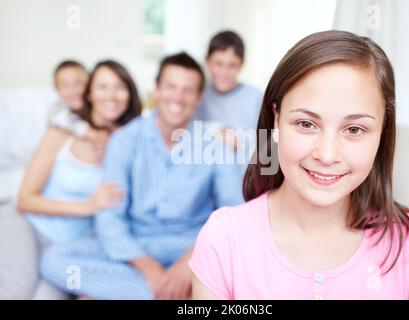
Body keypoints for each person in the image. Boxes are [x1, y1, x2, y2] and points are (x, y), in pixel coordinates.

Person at [189, 30, 409, 300]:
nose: (327, 155)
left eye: (354, 129)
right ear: (276, 119)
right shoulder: (223, 241)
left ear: (382, 131)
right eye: (306, 124)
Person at [40, 52, 244, 300]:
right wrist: (150, 269)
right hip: (136, 242)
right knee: (54, 260)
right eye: (171, 87)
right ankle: (177, 295)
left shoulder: (215, 145)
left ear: (198, 98)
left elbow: (232, 215)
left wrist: (186, 266)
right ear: (156, 90)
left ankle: (141, 290)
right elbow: (110, 218)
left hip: (191, 244)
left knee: (243, 261)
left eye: (187, 90)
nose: (178, 98)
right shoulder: (124, 140)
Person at [16, 60, 141, 298]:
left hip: (76, 246)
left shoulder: (130, 140)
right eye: (103, 87)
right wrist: (88, 206)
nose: (112, 95)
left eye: (120, 87)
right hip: (31, 229)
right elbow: (25, 199)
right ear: (90, 93)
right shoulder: (62, 130)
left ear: (130, 94)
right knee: (16, 291)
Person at [193, 30, 262, 167]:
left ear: (241, 65)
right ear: (207, 62)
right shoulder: (198, 94)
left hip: (243, 174)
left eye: (232, 65)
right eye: (218, 64)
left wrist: (238, 141)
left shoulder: (255, 96)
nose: (224, 72)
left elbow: (267, 144)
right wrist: (216, 133)